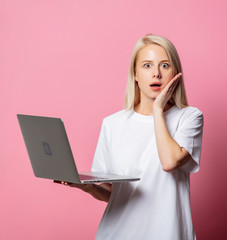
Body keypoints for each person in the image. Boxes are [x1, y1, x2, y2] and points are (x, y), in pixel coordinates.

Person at [57, 34, 204, 240]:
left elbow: (169, 162)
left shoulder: (189, 118)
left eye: (164, 65)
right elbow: (112, 193)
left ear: (176, 73)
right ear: (135, 74)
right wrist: (88, 186)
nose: (156, 74)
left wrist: (157, 109)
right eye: (147, 65)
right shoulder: (112, 124)